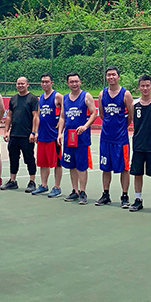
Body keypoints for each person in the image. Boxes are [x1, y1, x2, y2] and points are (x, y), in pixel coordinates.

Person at [95, 66, 134, 208]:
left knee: (124, 168)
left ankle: (125, 195)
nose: (111, 77)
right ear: (106, 77)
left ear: (118, 77)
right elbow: (102, 114)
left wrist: (122, 127)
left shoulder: (125, 94)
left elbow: (131, 115)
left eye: (113, 75)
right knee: (105, 167)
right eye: (108, 75)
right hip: (106, 137)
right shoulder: (101, 94)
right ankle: (106, 194)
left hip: (121, 138)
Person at [58, 74, 97, 204]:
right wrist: (60, 133)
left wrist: (85, 126)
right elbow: (62, 117)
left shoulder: (86, 96)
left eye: (76, 81)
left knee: (82, 165)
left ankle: (83, 191)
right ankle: (74, 191)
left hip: (81, 137)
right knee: (71, 165)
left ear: (80, 82)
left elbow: (94, 113)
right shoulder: (64, 98)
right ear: (67, 84)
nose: (74, 84)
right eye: (71, 82)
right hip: (69, 137)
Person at [129, 75, 151, 213]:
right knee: (137, 173)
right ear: (139, 87)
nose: (145, 88)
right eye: (142, 86)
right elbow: (133, 122)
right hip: (138, 144)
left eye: (148, 85)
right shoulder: (134, 104)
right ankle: (138, 199)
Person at [2, 76, 39, 192]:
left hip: (27, 135)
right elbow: (9, 116)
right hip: (14, 135)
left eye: (22, 83)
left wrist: (33, 132)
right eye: (18, 84)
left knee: (29, 158)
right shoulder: (13, 99)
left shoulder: (32, 99)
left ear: (27, 85)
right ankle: (12, 181)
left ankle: (32, 181)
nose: (20, 85)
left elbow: (35, 116)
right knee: (13, 158)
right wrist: (6, 131)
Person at [32, 73, 63, 197]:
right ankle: (43, 185)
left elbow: (63, 115)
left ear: (51, 83)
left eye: (47, 81)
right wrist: (36, 132)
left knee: (57, 163)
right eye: (42, 82)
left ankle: (57, 187)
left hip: (53, 136)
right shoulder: (41, 98)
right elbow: (38, 117)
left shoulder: (57, 96)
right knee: (42, 162)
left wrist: (60, 131)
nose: (44, 84)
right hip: (42, 136)